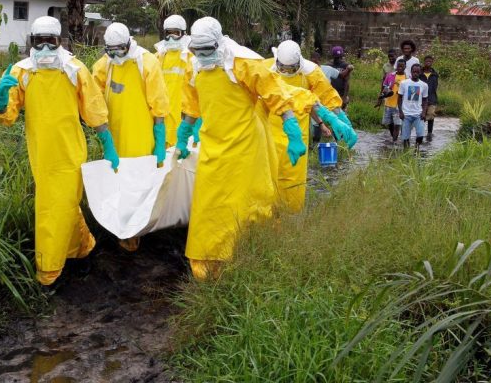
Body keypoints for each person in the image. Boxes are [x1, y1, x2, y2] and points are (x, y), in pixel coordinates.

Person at [173, 17, 315, 281]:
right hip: (213, 145)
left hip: (246, 147)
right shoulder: (194, 67)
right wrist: (182, 136)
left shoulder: (243, 63)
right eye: (197, 50)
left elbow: (275, 94)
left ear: (219, 43)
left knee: (245, 204)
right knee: (209, 205)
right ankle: (207, 261)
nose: (202, 55)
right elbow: (191, 105)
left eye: (207, 50)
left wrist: (293, 131)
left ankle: (246, 255)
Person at [0, 16, 120, 288]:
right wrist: (1, 102)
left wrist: (107, 142)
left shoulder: (74, 69)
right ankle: (83, 250)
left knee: (52, 207)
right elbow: (6, 115)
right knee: (66, 205)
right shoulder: (21, 72)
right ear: (32, 43)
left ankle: (49, 270)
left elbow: (93, 107)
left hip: (71, 152)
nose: (46, 48)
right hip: (41, 154)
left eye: (51, 41)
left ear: (60, 41)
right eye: (40, 42)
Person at [92, 22, 170, 252]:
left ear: (129, 44)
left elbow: (159, 105)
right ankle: (120, 229)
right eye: (111, 50)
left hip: (140, 137)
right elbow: (93, 99)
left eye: (120, 50)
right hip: (114, 137)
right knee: (117, 184)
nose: (116, 55)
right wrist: (104, 138)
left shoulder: (146, 63)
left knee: (139, 185)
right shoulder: (103, 65)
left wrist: (159, 139)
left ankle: (135, 232)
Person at [265, 40, 358, 212]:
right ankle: (268, 217)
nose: (286, 73)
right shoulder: (265, 69)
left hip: (298, 135)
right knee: (267, 177)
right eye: (283, 69)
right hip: (269, 133)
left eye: (291, 70)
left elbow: (324, 96)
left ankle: (290, 216)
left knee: (294, 180)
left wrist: (338, 117)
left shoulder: (311, 73)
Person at [153, 15, 198, 147]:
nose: (171, 37)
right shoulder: (157, 57)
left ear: (184, 33)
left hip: (185, 120)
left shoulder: (192, 58)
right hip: (163, 120)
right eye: (168, 33)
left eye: (176, 33)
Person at [398, 63, 429, 150]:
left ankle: (416, 149)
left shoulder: (424, 85)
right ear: (411, 72)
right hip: (406, 114)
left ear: (420, 73)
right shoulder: (404, 83)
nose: (415, 73)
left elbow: (425, 100)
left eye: (417, 72)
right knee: (405, 137)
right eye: (414, 71)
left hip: (418, 114)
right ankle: (406, 153)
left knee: (420, 135)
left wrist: (424, 112)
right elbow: (399, 98)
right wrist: (400, 111)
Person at [382, 58, 407, 142]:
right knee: (389, 123)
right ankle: (394, 138)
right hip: (388, 103)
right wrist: (386, 91)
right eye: (399, 66)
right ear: (396, 66)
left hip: (399, 105)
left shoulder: (407, 78)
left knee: (397, 124)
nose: (400, 68)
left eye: (402, 66)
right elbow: (384, 86)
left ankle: (394, 142)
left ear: (405, 67)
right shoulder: (390, 75)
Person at [419, 55, 439, 142]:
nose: (428, 63)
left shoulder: (435, 74)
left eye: (430, 61)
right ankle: (421, 132)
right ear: (424, 62)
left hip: (432, 98)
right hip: (421, 99)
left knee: (431, 115)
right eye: (427, 61)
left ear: (432, 62)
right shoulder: (420, 73)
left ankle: (429, 133)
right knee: (422, 115)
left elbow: (435, 86)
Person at [328, 46, 353, 110]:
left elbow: (347, 82)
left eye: (339, 57)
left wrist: (344, 97)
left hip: (341, 94)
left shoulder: (345, 66)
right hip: (330, 95)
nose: (338, 59)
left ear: (342, 56)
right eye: (336, 57)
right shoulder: (328, 65)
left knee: (342, 114)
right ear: (333, 56)